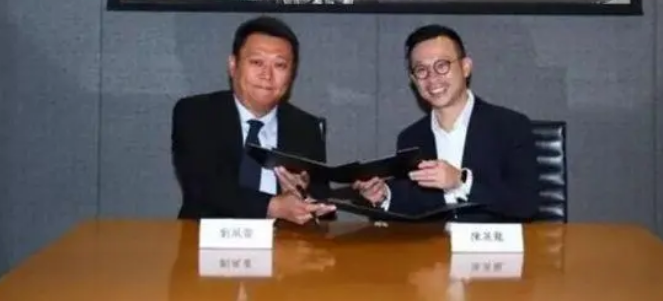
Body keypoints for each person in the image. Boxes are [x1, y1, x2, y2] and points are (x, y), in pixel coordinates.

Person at [353, 24, 539, 222]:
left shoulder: (510, 126)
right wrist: (383, 196)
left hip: (490, 241)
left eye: (441, 66)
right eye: (421, 70)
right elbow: (413, 207)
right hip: (433, 242)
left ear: (465, 67)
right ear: (414, 80)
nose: (432, 78)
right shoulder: (411, 137)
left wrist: (460, 182)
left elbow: (525, 204)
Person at [171, 15, 336, 224]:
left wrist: (303, 196)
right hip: (206, 240)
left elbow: (321, 203)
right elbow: (202, 186)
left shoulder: (306, 128)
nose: (267, 75)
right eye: (257, 62)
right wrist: (273, 206)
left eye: (280, 65)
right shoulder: (196, 113)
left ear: (291, 74)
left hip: (283, 242)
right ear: (233, 65)